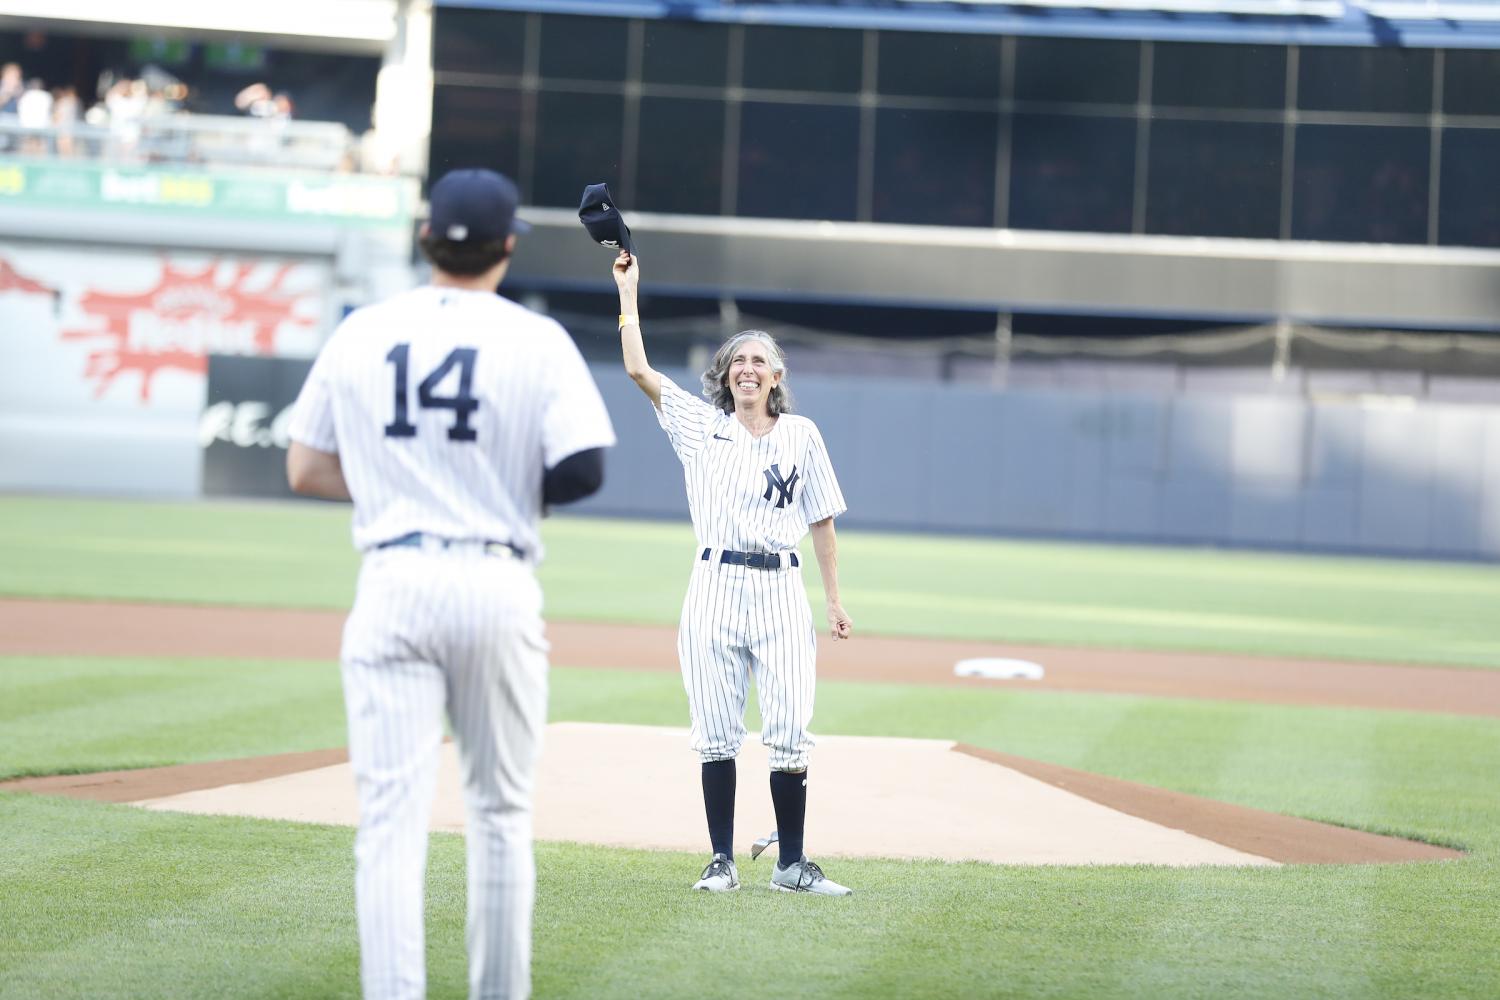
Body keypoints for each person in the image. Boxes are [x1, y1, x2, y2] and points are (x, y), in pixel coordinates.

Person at [287, 168, 616, 999]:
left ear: (425, 237)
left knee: (389, 824)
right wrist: (481, 488)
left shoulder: (362, 328)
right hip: (493, 581)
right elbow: (583, 470)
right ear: (507, 246)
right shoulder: (534, 338)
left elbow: (305, 467)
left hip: (393, 578)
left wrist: (409, 486)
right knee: (500, 815)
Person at [610, 250, 855, 896]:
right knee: (716, 730)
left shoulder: (802, 434)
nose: (747, 369)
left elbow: (823, 520)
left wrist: (834, 599)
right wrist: (629, 295)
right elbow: (637, 368)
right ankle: (720, 859)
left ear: (776, 376)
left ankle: (791, 865)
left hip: (780, 587)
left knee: (789, 731)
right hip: (714, 586)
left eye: (758, 361)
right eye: (737, 361)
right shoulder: (699, 425)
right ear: (725, 375)